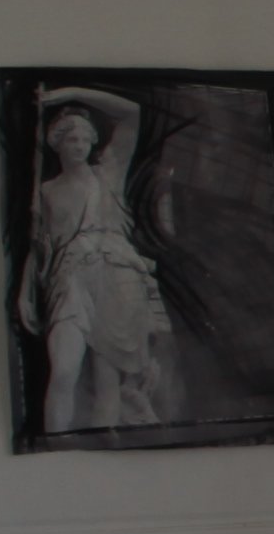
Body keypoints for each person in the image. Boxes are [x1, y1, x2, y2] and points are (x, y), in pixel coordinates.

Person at [18, 87, 178, 434]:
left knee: (108, 385)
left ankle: (99, 456)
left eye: (83, 138)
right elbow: (40, 245)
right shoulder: (46, 191)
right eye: (69, 138)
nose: (77, 145)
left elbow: (132, 113)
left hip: (114, 277)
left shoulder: (108, 174)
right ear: (56, 142)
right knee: (62, 372)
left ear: (92, 143)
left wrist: (70, 94)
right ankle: (54, 450)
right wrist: (24, 292)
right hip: (69, 281)